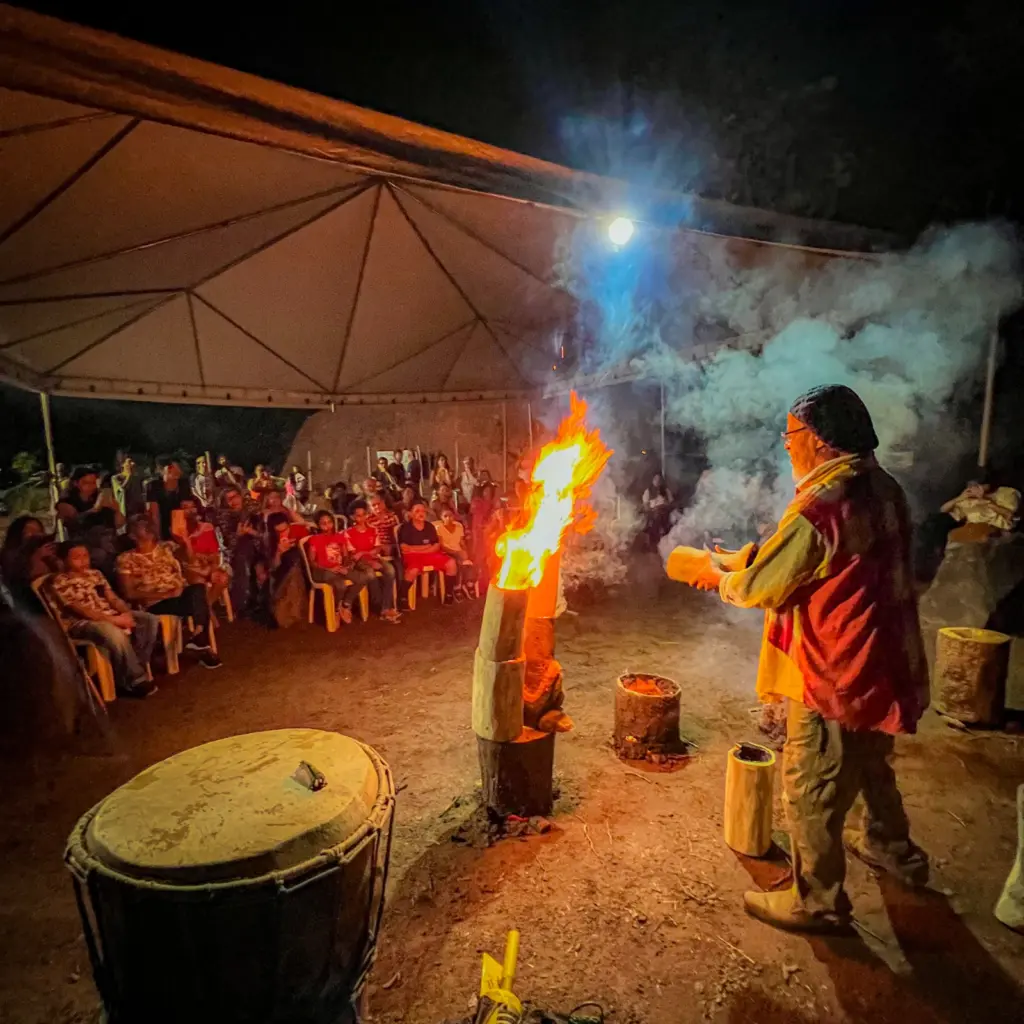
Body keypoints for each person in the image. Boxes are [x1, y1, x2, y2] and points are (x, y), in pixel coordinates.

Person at [672, 384, 929, 933]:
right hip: (884, 658)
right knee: (870, 758)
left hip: (840, 665)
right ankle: (891, 846)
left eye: (791, 436)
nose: (787, 446)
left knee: (811, 777)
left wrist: (714, 575)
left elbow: (764, 585)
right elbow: (807, 559)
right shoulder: (882, 487)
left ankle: (818, 902)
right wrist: (739, 557)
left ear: (817, 439)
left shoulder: (821, 505)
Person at [50, 541, 159, 697]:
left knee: (148, 620)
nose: (82, 560)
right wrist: (116, 621)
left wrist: (126, 613)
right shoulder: (60, 582)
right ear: (64, 560)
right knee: (111, 631)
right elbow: (83, 611)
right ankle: (136, 679)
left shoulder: (96, 575)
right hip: (82, 623)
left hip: (109, 614)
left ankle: (135, 664)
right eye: (76, 557)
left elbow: (113, 599)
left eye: (85, 555)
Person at [116, 516, 221, 668]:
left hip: (179, 596)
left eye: (147, 523)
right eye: (140, 525)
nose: (147, 526)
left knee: (198, 588)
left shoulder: (167, 548)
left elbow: (190, 561)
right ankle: (200, 642)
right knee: (197, 597)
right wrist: (165, 595)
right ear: (132, 535)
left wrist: (185, 542)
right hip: (155, 603)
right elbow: (129, 593)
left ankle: (199, 637)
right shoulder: (126, 559)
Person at [305, 510, 374, 626]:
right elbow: (311, 562)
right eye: (323, 523)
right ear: (318, 525)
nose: (327, 525)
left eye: (329, 522)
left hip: (339, 568)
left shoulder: (339, 537)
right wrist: (329, 569)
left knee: (363, 578)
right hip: (323, 570)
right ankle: (336, 609)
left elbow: (346, 555)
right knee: (340, 584)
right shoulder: (315, 539)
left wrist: (346, 566)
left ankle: (346, 604)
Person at [344, 503, 400, 622]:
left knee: (390, 570)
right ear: (353, 517)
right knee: (370, 574)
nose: (361, 518)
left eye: (364, 515)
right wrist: (368, 557)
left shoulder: (372, 529)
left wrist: (368, 554)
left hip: (374, 557)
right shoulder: (349, 533)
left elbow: (377, 547)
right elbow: (354, 555)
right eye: (358, 516)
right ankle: (380, 606)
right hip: (360, 561)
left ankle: (385, 607)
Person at [174, 497, 230, 611]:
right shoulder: (176, 531)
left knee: (222, 578)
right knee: (199, 583)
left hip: (207, 565)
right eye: (185, 508)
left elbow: (214, 554)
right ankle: (205, 614)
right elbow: (188, 559)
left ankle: (205, 608)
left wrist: (209, 563)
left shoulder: (206, 527)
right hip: (189, 569)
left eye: (193, 507)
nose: (190, 510)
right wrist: (187, 541)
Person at [398, 500, 457, 603]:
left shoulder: (430, 526)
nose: (421, 513)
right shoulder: (405, 528)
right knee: (413, 571)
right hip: (413, 556)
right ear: (411, 514)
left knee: (451, 563)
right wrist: (425, 548)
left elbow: (436, 545)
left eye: (423, 511)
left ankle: (448, 594)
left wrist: (414, 549)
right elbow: (404, 548)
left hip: (429, 554)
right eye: (417, 511)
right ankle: (402, 597)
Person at [57, 466, 123, 536]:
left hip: (106, 539)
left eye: (93, 483)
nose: (91, 486)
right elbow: (75, 523)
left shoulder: (98, 496)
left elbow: (120, 524)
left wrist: (116, 510)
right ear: (75, 483)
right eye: (86, 483)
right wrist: (95, 509)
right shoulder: (67, 501)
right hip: (82, 541)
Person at [436, 506, 477, 600]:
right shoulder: (439, 528)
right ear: (441, 517)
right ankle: (457, 587)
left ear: (453, 516)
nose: (448, 518)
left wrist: (465, 551)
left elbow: (461, 542)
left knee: (469, 560)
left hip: (458, 550)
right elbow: (442, 546)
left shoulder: (459, 526)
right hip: (447, 552)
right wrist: (456, 552)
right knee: (457, 562)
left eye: (450, 515)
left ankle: (469, 583)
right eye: (445, 516)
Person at [145, 458, 189, 540]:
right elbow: (154, 515)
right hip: (161, 526)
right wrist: (159, 539)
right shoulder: (153, 485)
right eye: (169, 467)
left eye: (175, 467)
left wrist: (181, 539)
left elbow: (184, 510)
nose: (172, 470)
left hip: (179, 527)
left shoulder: (184, 485)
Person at [470, 482, 500, 564]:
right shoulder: (477, 502)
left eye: (490, 492)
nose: (487, 493)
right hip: (478, 528)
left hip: (489, 528)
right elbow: (476, 516)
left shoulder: (493, 503)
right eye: (485, 491)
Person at [642, 472, 674, 543]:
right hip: (653, 512)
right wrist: (652, 510)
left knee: (671, 517)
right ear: (652, 480)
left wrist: (666, 504)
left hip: (665, 510)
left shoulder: (666, 490)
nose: (657, 481)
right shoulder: (648, 491)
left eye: (659, 479)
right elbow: (646, 506)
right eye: (655, 479)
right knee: (657, 516)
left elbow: (671, 502)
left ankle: (667, 539)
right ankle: (654, 540)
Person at [112, 454, 147, 519]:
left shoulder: (136, 478)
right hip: (123, 513)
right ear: (123, 465)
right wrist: (129, 475)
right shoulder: (116, 478)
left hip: (135, 512)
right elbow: (122, 489)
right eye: (129, 462)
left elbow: (139, 496)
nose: (132, 464)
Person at [367, 494, 400, 559]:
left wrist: (392, 547)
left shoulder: (393, 517)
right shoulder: (368, 520)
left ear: (383, 503)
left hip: (393, 549)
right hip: (376, 552)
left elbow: (398, 536)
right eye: (373, 505)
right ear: (370, 507)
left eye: (378, 503)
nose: (377, 506)